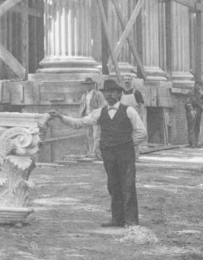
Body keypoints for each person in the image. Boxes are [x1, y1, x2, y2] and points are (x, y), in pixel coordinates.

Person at [58, 76, 146, 228]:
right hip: (108, 154)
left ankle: (131, 221)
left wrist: (128, 144)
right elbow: (81, 123)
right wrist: (61, 117)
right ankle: (117, 219)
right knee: (113, 185)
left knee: (128, 185)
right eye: (107, 92)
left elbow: (142, 133)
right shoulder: (100, 112)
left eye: (113, 92)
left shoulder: (129, 111)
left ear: (119, 94)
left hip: (125, 153)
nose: (109, 95)